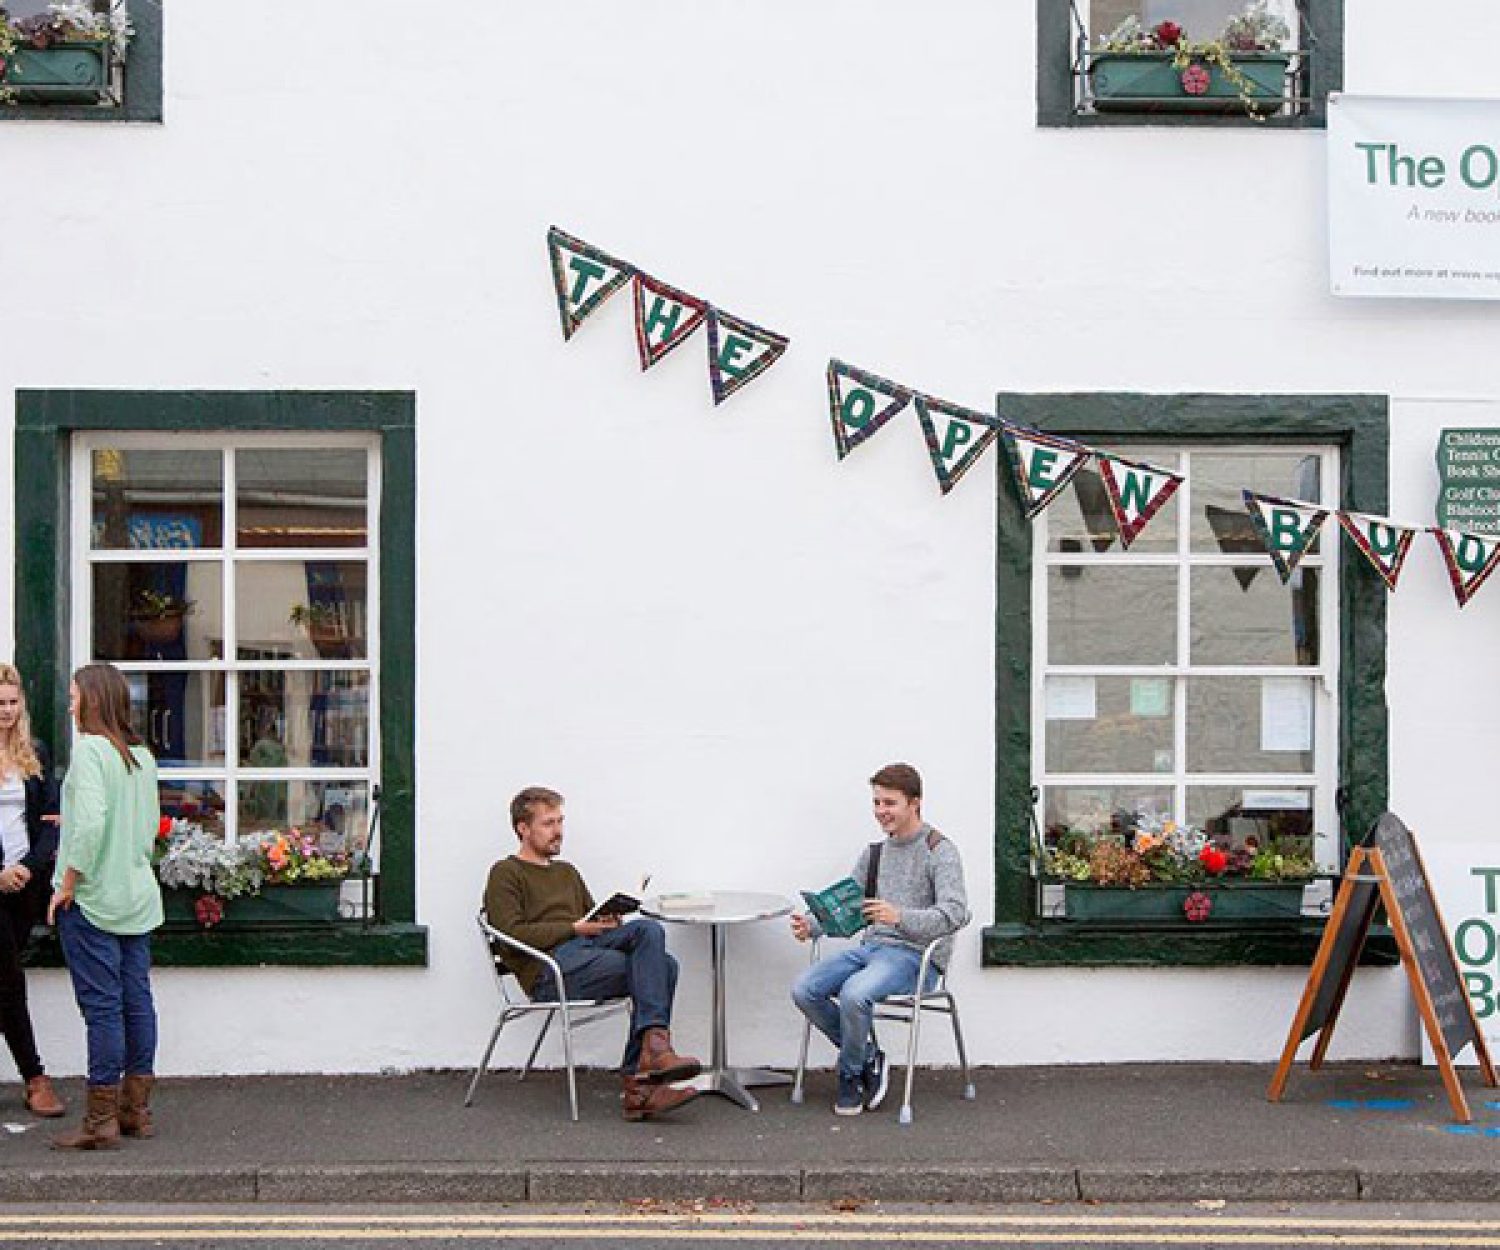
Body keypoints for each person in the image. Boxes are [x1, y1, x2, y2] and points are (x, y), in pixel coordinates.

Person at [484, 786, 702, 1121]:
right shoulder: (506, 873)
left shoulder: (566, 872)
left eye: (560, 821)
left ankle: (652, 1060)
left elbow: (587, 918)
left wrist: (605, 921)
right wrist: (574, 929)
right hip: (549, 970)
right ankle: (644, 1080)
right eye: (548, 823)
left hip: (586, 952)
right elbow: (511, 934)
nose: (558, 831)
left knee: (650, 933)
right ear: (522, 828)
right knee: (662, 968)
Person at [790, 762, 969, 1116]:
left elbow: (955, 913)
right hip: (872, 949)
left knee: (856, 993)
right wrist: (811, 925)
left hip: (916, 957)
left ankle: (850, 1074)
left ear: (914, 803)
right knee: (804, 989)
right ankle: (868, 1058)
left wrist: (900, 917)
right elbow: (849, 906)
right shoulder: (874, 854)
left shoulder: (939, 850)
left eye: (890, 803)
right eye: (876, 803)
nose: (881, 812)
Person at [48, 663, 164, 1150]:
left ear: (91, 700)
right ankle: (134, 1110)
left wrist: (68, 881)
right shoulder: (141, 756)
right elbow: (146, 827)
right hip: (136, 896)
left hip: (93, 900)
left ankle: (100, 1122)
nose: (70, 704)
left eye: (74, 696)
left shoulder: (90, 752)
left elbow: (93, 825)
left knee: (102, 1009)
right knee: (137, 1002)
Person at [0, 663, 65, 1119]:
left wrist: (27, 867)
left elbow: (50, 820)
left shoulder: (35, 752)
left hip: (26, 885)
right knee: (8, 978)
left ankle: (33, 1077)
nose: (5, 710)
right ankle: (35, 1077)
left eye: (11, 701)